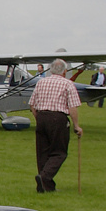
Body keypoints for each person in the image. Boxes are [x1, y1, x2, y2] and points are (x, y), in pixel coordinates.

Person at [30, 58, 83, 193]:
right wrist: (76, 125)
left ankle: (46, 185)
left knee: (42, 152)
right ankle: (44, 177)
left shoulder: (41, 82)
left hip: (41, 116)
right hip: (58, 118)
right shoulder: (68, 84)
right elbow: (72, 107)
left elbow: (32, 104)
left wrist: (39, 118)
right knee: (59, 152)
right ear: (65, 71)